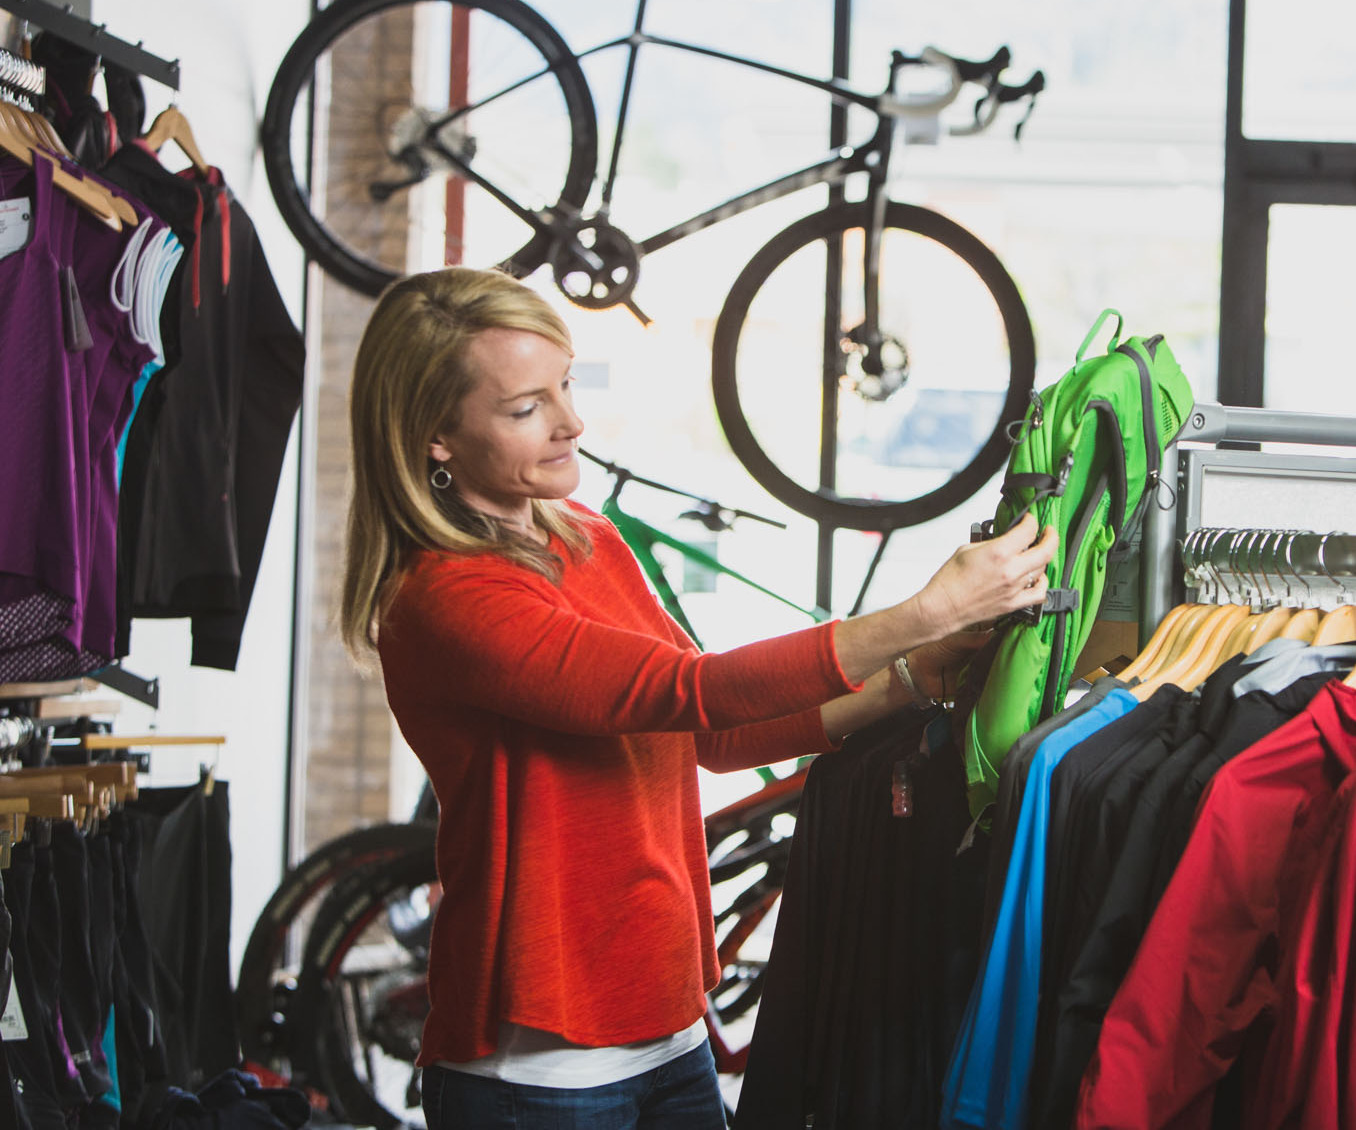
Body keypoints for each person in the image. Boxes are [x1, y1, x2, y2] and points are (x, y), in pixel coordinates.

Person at [339, 265, 1057, 1129]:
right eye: (526, 407)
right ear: (435, 438)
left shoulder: (590, 542)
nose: (572, 423)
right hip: (541, 1061)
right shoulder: (446, 597)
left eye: (566, 384)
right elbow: (685, 688)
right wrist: (920, 613)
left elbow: (707, 734)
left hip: (669, 1026)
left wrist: (912, 678)